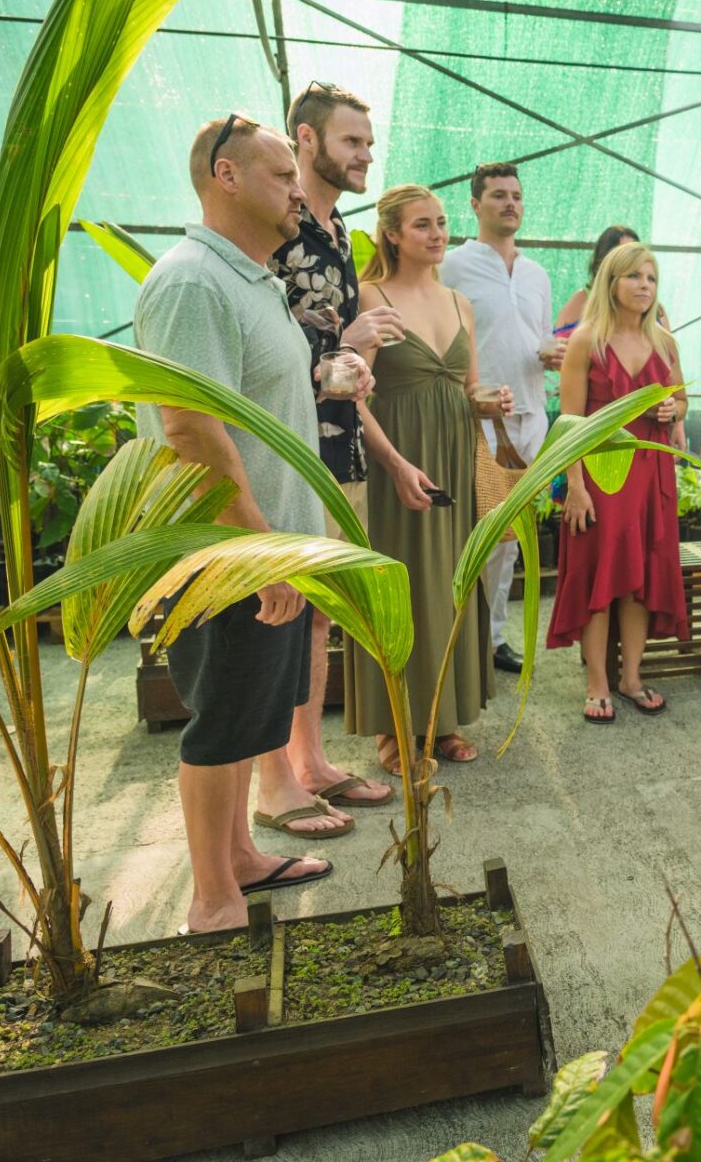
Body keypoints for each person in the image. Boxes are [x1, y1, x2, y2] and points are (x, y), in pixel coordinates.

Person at [135, 114, 338, 932]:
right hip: (228, 558)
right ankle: (212, 901)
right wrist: (259, 552)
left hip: (267, 546)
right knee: (221, 723)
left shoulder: (251, 279)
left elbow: (250, 401)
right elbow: (189, 430)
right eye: (284, 174)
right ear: (226, 176)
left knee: (250, 713)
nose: (299, 189)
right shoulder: (193, 282)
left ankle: (243, 863)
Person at [257, 80, 397, 839]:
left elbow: (328, 347)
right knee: (281, 611)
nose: (364, 155)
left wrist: (353, 355)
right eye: (352, 142)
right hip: (285, 446)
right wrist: (345, 351)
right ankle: (274, 777)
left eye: (368, 144)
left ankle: (310, 763)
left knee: (316, 617)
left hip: (338, 442)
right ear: (305, 140)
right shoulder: (274, 228)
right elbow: (268, 346)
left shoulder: (342, 234)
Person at [346, 185, 505, 772]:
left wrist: (493, 402)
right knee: (404, 585)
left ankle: (441, 720)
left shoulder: (461, 302)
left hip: (453, 459)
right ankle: (393, 732)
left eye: (441, 223)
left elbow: (468, 390)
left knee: (450, 583)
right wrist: (392, 462)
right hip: (396, 463)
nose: (438, 234)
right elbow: (353, 396)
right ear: (392, 234)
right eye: (422, 225)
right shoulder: (371, 296)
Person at [549, 241, 690, 722]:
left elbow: (682, 402)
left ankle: (631, 677)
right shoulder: (588, 339)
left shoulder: (665, 342)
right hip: (600, 478)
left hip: (651, 478)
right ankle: (596, 682)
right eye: (633, 276)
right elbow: (569, 422)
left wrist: (674, 410)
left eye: (650, 278)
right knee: (599, 580)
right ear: (611, 282)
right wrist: (576, 485)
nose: (643, 286)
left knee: (638, 581)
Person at [442, 161, 561, 675]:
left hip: (529, 418)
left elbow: (541, 334)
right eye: (497, 195)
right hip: (474, 422)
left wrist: (549, 351)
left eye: (515, 195)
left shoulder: (537, 274)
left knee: (511, 539)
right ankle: (456, 636)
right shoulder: (451, 266)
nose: (510, 203)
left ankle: (492, 639)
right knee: (470, 532)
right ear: (474, 205)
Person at [556, 225, 642, 333]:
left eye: (634, 253)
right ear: (604, 259)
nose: (629, 260)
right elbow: (555, 344)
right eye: (621, 254)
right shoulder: (582, 300)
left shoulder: (649, 305)